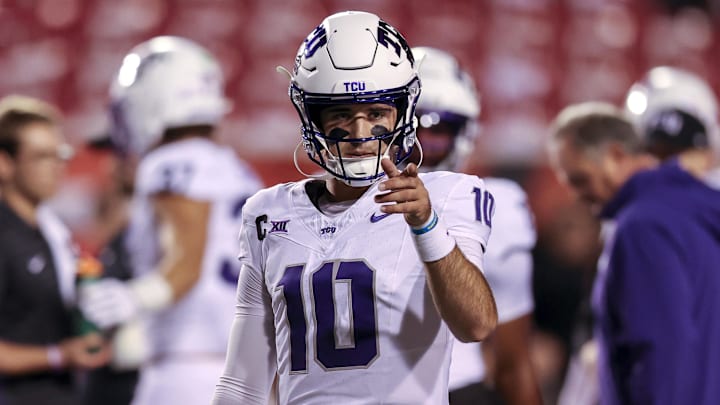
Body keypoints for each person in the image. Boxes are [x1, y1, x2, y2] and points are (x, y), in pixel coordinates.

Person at [213, 11, 498, 404]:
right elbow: (244, 380)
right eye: (341, 114)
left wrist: (427, 225)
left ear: (403, 112)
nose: (360, 133)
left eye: (377, 113)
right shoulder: (267, 213)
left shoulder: (447, 195)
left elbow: (477, 324)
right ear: (313, 117)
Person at [77, 36, 263, 405]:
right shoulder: (239, 172)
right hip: (247, 367)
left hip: (186, 366)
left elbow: (188, 257)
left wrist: (135, 297)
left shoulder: (168, 164)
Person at [548, 99, 720, 405]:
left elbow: (663, 351)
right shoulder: (692, 210)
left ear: (616, 155)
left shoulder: (643, 226)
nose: (576, 196)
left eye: (580, 179)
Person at [411, 46, 542, 405]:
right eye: (407, 133)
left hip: (453, 390)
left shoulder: (487, 204)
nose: (420, 149)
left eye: (435, 132)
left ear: (464, 134)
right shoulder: (331, 202)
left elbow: (512, 361)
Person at [0, 95, 111, 404]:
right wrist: (57, 355)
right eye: (41, 157)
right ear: (4, 162)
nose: (56, 167)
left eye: (59, 154)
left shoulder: (52, 232)